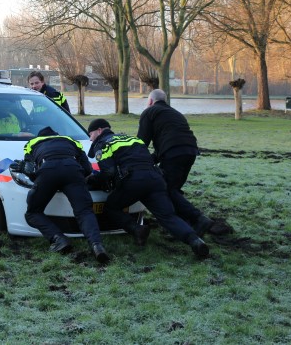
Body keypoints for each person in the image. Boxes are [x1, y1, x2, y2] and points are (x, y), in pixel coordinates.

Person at [87, 118, 210, 259]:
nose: (90, 139)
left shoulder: (104, 143)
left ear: (99, 130)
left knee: (111, 207)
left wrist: (93, 180)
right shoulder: (132, 139)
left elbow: (108, 172)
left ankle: (137, 229)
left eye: (90, 135)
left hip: (134, 181)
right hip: (155, 180)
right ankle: (195, 241)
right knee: (168, 216)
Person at [12, 126, 110, 264]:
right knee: (85, 211)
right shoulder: (70, 140)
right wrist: (76, 179)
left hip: (47, 171)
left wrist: (42, 182)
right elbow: (87, 168)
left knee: (32, 213)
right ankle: (97, 246)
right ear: (57, 134)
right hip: (72, 170)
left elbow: (30, 170)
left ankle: (58, 239)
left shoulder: (32, 143)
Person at [137, 89, 214, 236]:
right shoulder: (175, 113)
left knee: (166, 188)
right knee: (174, 188)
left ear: (151, 101)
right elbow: (170, 139)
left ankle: (198, 218)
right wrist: (154, 158)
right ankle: (184, 224)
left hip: (173, 153)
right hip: (190, 151)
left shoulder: (149, 112)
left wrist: (138, 160)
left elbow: (142, 142)